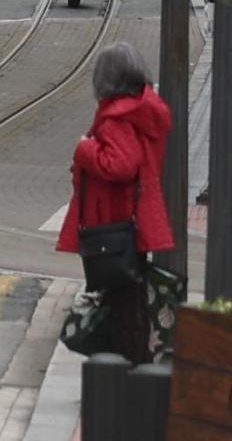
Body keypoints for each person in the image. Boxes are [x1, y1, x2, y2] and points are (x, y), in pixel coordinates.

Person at [57, 42, 176, 364]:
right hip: (134, 219)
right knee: (129, 293)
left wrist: (85, 150)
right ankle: (129, 359)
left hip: (114, 222)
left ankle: (120, 367)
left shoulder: (116, 118)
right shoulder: (141, 111)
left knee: (119, 296)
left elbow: (121, 165)